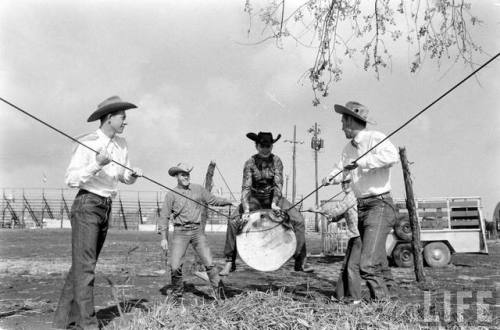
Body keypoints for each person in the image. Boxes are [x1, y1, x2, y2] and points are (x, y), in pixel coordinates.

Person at [54, 96, 143, 330]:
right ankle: (88, 325)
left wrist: (132, 175)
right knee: (85, 269)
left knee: (81, 266)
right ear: (109, 118)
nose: (126, 122)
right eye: (123, 117)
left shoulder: (122, 144)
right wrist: (97, 164)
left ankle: (63, 323)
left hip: (105, 206)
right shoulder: (87, 142)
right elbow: (71, 180)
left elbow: (123, 177)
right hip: (87, 204)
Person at [322, 101, 399, 302]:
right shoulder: (348, 148)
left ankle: (384, 306)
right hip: (361, 206)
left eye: (342, 121)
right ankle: (383, 299)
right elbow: (342, 168)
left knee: (368, 264)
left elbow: (392, 157)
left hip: (380, 205)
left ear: (351, 121)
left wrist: (362, 162)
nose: (341, 126)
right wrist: (331, 177)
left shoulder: (376, 138)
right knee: (360, 263)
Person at [220, 132, 313, 275]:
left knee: (299, 220)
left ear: (272, 146)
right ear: (256, 146)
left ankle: (300, 261)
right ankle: (229, 262)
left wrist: (275, 203)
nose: (265, 149)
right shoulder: (249, 163)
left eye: (268, 146)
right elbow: (246, 187)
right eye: (262, 146)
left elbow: (278, 184)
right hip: (254, 197)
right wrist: (245, 210)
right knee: (233, 221)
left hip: (273, 197)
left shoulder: (277, 161)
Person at [158, 163, 235, 300]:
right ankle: (177, 292)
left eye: (187, 174)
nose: (186, 177)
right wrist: (164, 238)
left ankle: (219, 294)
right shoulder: (171, 195)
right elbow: (164, 216)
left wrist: (229, 202)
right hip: (180, 233)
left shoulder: (198, 189)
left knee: (209, 263)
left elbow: (213, 200)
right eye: (182, 174)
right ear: (176, 176)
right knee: (175, 266)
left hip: (197, 232)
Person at [308, 177, 361, 304]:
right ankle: (338, 296)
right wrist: (325, 215)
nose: (344, 184)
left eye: (348, 182)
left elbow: (337, 210)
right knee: (345, 267)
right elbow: (337, 216)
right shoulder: (347, 198)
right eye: (343, 182)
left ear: (353, 183)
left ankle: (356, 298)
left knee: (351, 267)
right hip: (353, 236)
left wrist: (319, 210)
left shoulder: (352, 196)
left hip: (359, 236)